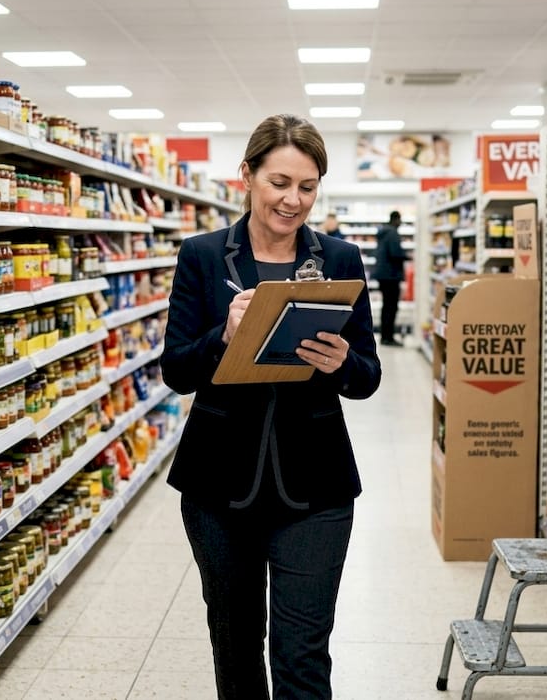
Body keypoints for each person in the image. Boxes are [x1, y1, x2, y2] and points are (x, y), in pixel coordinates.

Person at [160, 113, 382, 700]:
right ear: (248, 176)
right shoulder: (204, 256)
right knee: (234, 649)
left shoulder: (340, 259)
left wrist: (341, 364)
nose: (293, 200)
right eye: (279, 182)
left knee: (303, 652)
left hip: (316, 484)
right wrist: (222, 337)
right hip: (218, 483)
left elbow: (368, 378)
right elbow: (177, 371)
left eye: (307, 187)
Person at [373, 210, 407, 346]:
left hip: (383, 275)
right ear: (396, 219)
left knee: (386, 306)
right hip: (391, 275)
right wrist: (407, 256)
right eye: (399, 220)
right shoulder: (392, 233)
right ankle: (389, 337)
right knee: (391, 307)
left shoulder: (383, 232)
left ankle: (385, 336)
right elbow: (395, 253)